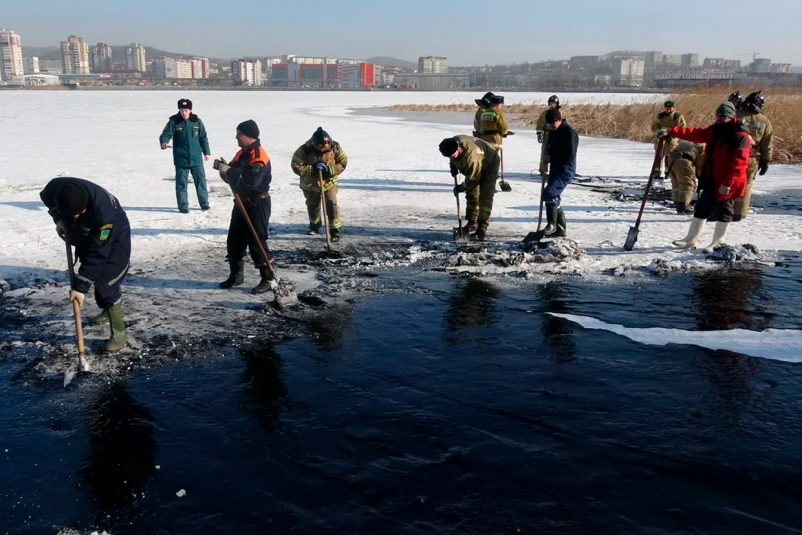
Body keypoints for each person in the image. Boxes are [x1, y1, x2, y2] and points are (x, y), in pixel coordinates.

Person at [40, 176, 131, 352]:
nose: (75, 215)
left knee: (107, 277)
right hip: (87, 226)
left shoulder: (104, 214)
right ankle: (107, 311)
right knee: (87, 260)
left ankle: (119, 333)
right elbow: (46, 196)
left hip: (116, 232)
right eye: (71, 212)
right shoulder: (56, 187)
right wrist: (60, 218)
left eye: (79, 212)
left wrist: (80, 287)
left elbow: (98, 252)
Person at [660, 102, 751, 252]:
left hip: (729, 181)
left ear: (731, 117)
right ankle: (690, 239)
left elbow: (739, 164)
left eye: (723, 116)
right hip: (711, 177)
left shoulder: (740, 137)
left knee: (724, 211)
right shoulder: (714, 130)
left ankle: (718, 242)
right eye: (717, 115)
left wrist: (728, 182)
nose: (719, 118)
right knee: (702, 208)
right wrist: (671, 131)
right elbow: (694, 133)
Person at [213, 120, 274, 294]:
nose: (236, 137)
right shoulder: (241, 154)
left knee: (256, 241)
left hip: (257, 202)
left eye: (239, 134)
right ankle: (236, 275)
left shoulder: (258, 157)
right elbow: (233, 178)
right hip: (241, 202)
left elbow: (250, 183)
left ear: (249, 136)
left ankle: (268, 277)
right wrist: (225, 169)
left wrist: (229, 171)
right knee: (235, 239)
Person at [290, 127, 348, 241]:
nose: (323, 149)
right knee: (313, 207)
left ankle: (335, 231)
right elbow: (296, 166)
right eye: (320, 147)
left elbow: (343, 162)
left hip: (329, 183)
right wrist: (312, 170)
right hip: (311, 185)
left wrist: (329, 170)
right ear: (314, 144)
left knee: (332, 204)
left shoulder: (335, 147)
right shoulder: (304, 150)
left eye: (326, 146)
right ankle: (315, 225)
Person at [439, 135, 500, 241]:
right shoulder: (452, 143)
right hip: (476, 161)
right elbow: (452, 157)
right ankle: (472, 222)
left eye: (453, 156)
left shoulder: (470, 157)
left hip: (490, 162)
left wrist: (461, 188)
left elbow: (473, 180)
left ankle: (482, 227)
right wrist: (453, 165)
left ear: (458, 148)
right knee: (472, 193)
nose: (451, 158)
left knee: (485, 194)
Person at [159, 98, 211, 213]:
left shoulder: (197, 121)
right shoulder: (174, 121)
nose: (184, 112)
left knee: (200, 181)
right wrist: (164, 142)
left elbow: (203, 138)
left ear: (190, 110)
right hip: (181, 158)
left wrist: (206, 152)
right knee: (181, 183)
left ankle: (204, 203)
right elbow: (166, 134)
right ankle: (183, 206)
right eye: (182, 110)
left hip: (196, 158)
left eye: (186, 110)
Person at [734, 91, 773, 221]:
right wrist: (766, 160)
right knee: (746, 184)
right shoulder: (764, 121)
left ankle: (725, 210)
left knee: (729, 181)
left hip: (734, 155)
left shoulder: (736, 115)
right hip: (752, 158)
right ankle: (740, 212)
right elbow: (767, 144)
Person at [539, 109, 578, 237]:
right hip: (555, 168)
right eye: (549, 124)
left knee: (550, 193)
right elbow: (549, 147)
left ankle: (552, 224)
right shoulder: (553, 132)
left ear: (559, 120)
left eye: (553, 123)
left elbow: (570, 155)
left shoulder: (569, 133)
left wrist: (554, 155)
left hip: (565, 169)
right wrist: (547, 155)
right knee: (554, 196)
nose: (551, 125)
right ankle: (560, 229)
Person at [651, 100, 687, 178]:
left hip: (672, 141)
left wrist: (671, 135)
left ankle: (669, 173)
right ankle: (657, 172)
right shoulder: (660, 115)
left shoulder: (678, 116)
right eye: (667, 108)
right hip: (660, 139)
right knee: (659, 156)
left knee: (670, 156)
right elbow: (655, 125)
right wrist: (658, 133)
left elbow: (682, 128)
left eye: (670, 108)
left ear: (673, 108)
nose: (668, 110)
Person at [667, 141, 704, 214]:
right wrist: (700, 176)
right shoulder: (704, 145)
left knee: (676, 182)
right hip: (684, 161)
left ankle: (677, 202)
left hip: (671, 159)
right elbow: (700, 163)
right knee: (687, 184)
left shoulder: (690, 140)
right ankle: (683, 206)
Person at [536, 95, 560, 177]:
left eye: (554, 103)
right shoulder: (545, 113)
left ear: (557, 104)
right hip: (547, 135)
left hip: (557, 136)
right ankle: (543, 170)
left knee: (557, 154)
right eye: (551, 103)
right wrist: (539, 133)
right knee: (545, 153)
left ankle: (556, 170)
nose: (552, 105)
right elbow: (540, 124)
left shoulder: (561, 113)